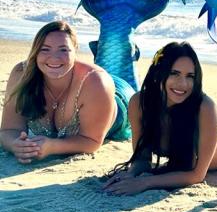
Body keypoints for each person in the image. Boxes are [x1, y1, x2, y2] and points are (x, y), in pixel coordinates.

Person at [101, 42, 217, 195]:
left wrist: (145, 183)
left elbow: (197, 175)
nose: (183, 84)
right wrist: (131, 173)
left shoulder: (205, 107)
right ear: (159, 72)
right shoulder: (139, 103)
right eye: (174, 74)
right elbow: (142, 158)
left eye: (190, 76)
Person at [1, 20, 126, 163]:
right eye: (45, 49)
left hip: (116, 99)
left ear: (75, 50)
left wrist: (53, 147)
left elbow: (92, 141)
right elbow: (8, 130)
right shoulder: (21, 74)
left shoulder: (96, 82)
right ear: (35, 52)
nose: (54, 58)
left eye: (63, 49)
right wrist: (16, 145)